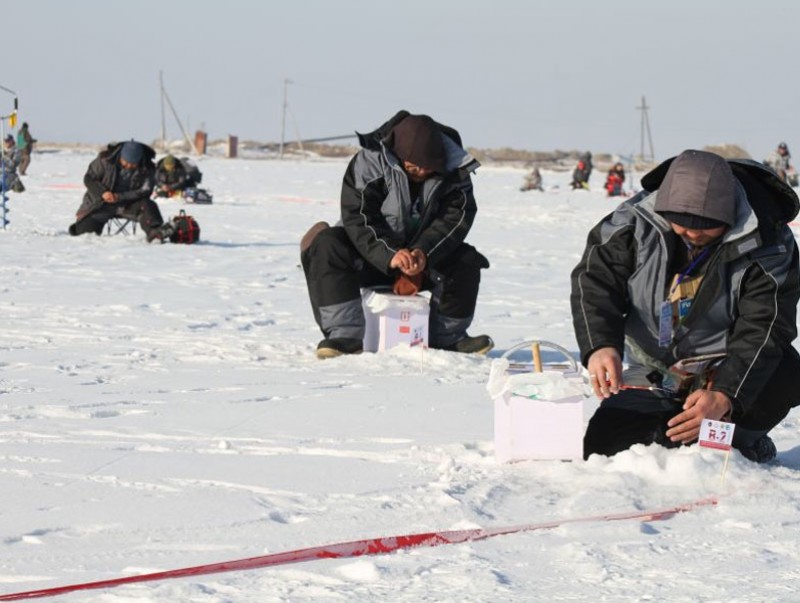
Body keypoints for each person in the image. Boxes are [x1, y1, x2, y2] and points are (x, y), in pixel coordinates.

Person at [571, 149, 800, 463]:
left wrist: (725, 394)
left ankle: (742, 439)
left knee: (783, 374)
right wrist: (601, 344)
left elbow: (766, 326)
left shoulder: (770, 244)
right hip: (655, 369)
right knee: (604, 450)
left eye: (707, 227)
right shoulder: (630, 224)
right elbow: (595, 282)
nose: (693, 233)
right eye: (682, 224)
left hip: (726, 365)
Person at [300, 110, 493, 359]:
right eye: (414, 167)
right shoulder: (368, 163)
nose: (422, 172)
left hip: (424, 259)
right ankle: (344, 336)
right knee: (328, 244)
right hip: (371, 257)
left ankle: (449, 338)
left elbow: (456, 219)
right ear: (397, 153)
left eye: (429, 168)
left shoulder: (455, 168)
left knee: (466, 260)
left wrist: (424, 253)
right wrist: (390, 254)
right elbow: (358, 215)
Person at [68, 140, 173, 242]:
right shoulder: (104, 160)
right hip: (100, 205)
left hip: (129, 205)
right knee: (84, 236)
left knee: (148, 205)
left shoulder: (148, 168)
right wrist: (103, 192)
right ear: (121, 156)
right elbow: (89, 178)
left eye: (133, 164)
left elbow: (144, 191)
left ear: (140, 160)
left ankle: (155, 233)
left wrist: (119, 197)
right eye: (125, 162)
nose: (128, 166)